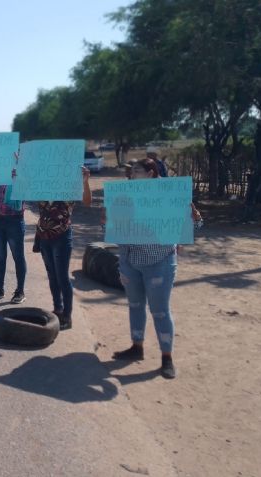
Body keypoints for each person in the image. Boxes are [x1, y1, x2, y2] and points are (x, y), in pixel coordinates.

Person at [108, 158, 203, 379]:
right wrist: (107, 223)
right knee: (135, 305)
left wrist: (195, 216)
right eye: (131, 171)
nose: (131, 174)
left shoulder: (170, 195)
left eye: (136, 171)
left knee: (160, 310)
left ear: (151, 173)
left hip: (160, 262)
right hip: (130, 261)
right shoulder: (126, 195)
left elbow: (195, 226)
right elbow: (116, 230)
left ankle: (166, 358)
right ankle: (136, 347)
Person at [30, 166, 92, 331]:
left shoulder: (70, 187)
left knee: (62, 278)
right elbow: (22, 192)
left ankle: (67, 316)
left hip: (62, 237)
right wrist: (19, 174)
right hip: (44, 237)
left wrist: (85, 182)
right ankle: (57, 309)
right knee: (52, 276)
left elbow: (87, 202)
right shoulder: (41, 186)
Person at [0, 182, 27, 304]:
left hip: (14, 221)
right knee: (0, 257)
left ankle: (20, 291)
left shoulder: (21, 174)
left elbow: (25, 194)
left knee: (18, 257)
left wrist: (18, 178)